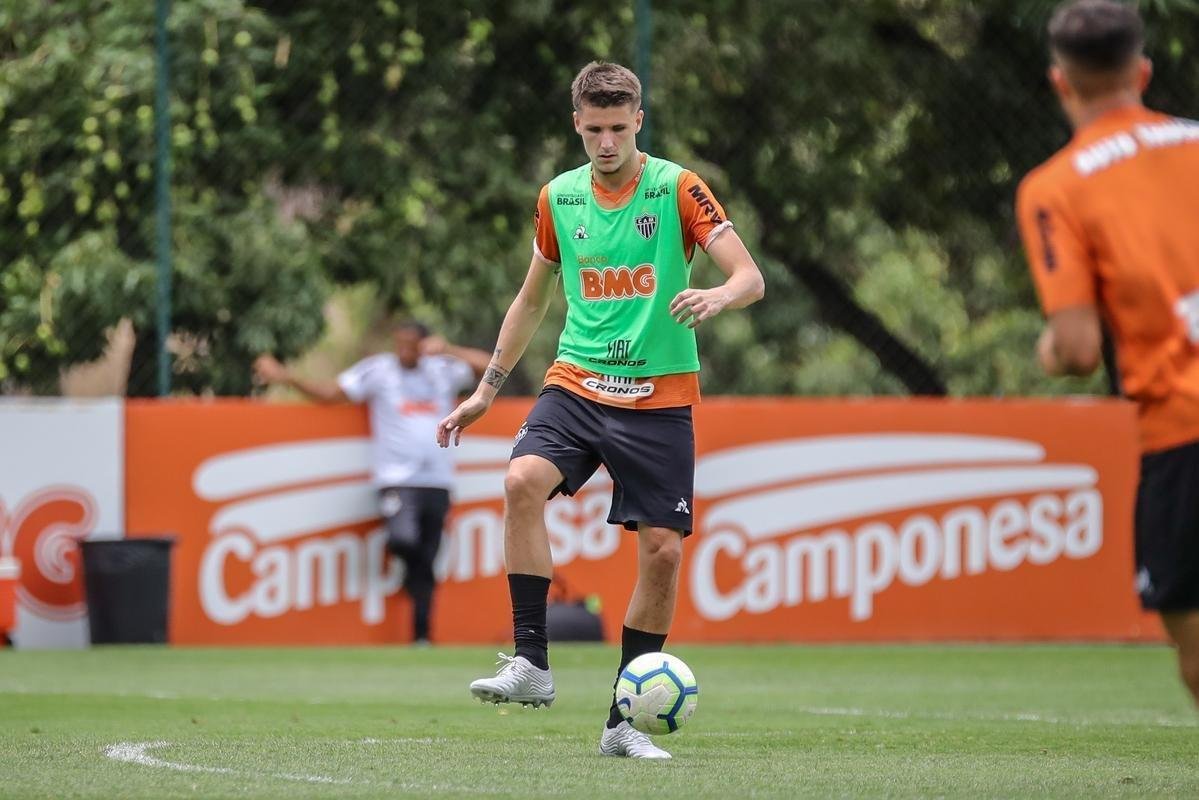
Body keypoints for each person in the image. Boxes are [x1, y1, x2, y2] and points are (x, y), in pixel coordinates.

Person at [437, 61, 765, 758]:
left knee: (663, 555)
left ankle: (620, 724)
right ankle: (531, 664)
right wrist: (485, 390)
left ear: (638, 121)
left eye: (618, 128)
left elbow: (748, 275)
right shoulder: (558, 198)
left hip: (659, 396)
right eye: (593, 130)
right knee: (520, 481)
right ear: (576, 125)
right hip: (578, 382)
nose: (606, 142)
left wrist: (717, 296)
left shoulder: (675, 187)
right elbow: (530, 301)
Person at [1016, 0, 1199, 705]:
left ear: (1059, 82)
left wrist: (1049, 348)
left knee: (1190, 640)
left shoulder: (1054, 188)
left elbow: (1076, 349)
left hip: (1182, 429)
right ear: (1143, 71)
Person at [254, 321, 490, 644]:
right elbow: (331, 393)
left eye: (411, 344)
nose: (404, 350)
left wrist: (448, 348)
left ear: (423, 344)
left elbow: (490, 366)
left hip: (438, 480)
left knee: (427, 558)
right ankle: (413, 582)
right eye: (400, 343)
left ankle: (422, 636)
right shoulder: (379, 371)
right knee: (404, 540)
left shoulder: (443, 369)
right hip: (397, 479)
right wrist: (289, 378)